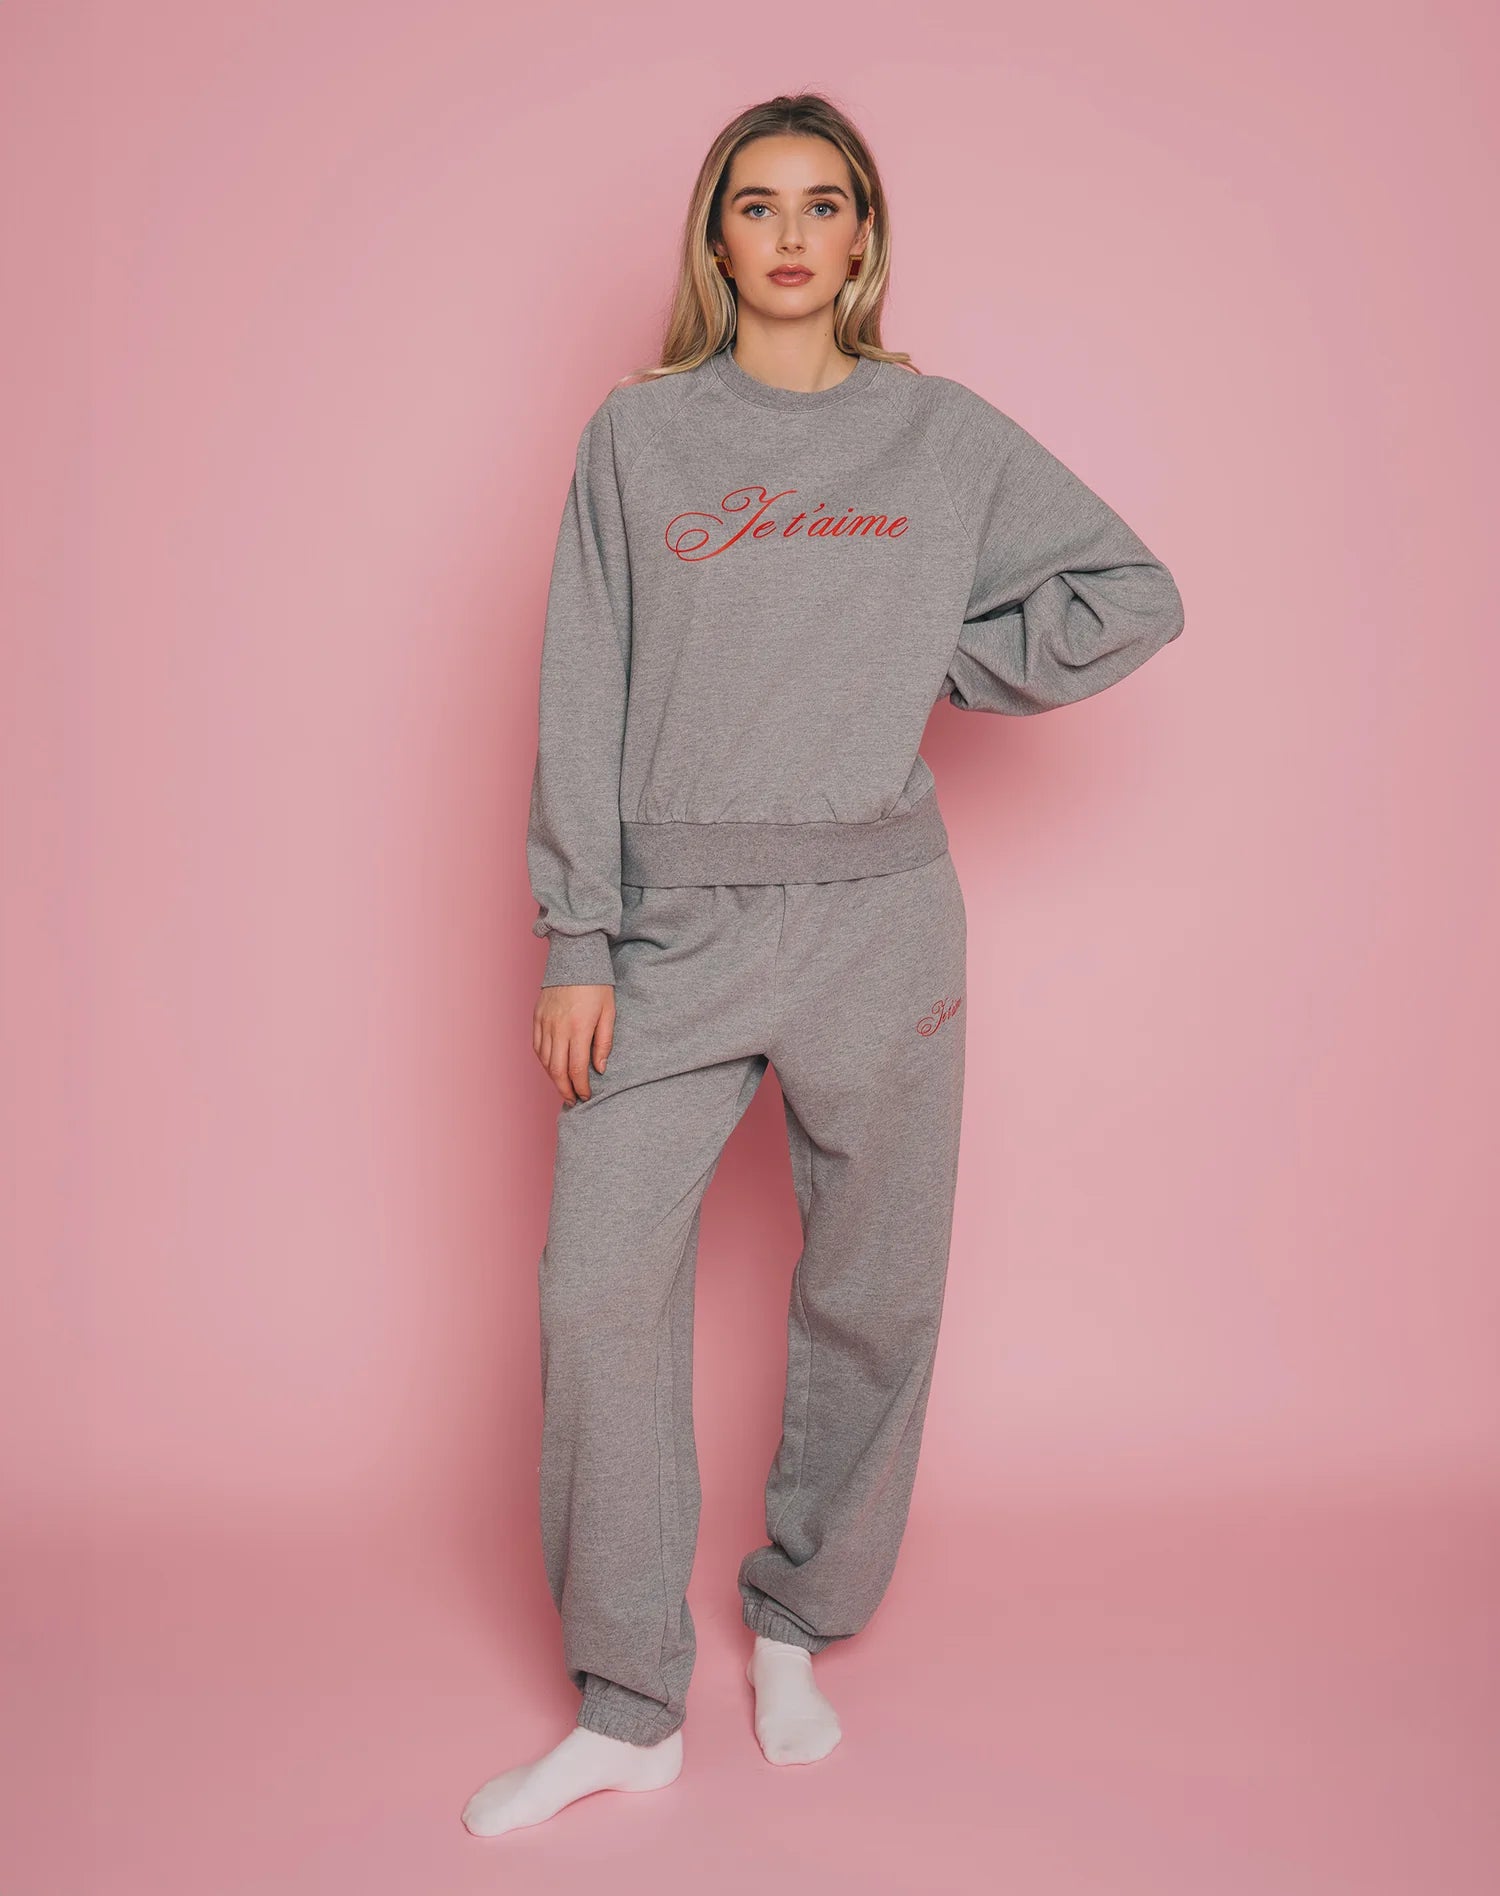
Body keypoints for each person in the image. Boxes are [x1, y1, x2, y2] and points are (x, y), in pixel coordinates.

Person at [463, 90, 1184, 1839]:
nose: (789, 235)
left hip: (880, 924)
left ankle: (797, 1624)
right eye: (756, 204)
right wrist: (578, 935)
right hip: (673, 934)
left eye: (823, 204)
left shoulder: (940, 436)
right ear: (716, 238)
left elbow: (1130, 591)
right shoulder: (640, 439)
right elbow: (580, 685)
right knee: (594, 1292)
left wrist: (936, 657)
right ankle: (630, 1704)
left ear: (863, 237)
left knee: (875, 1288)